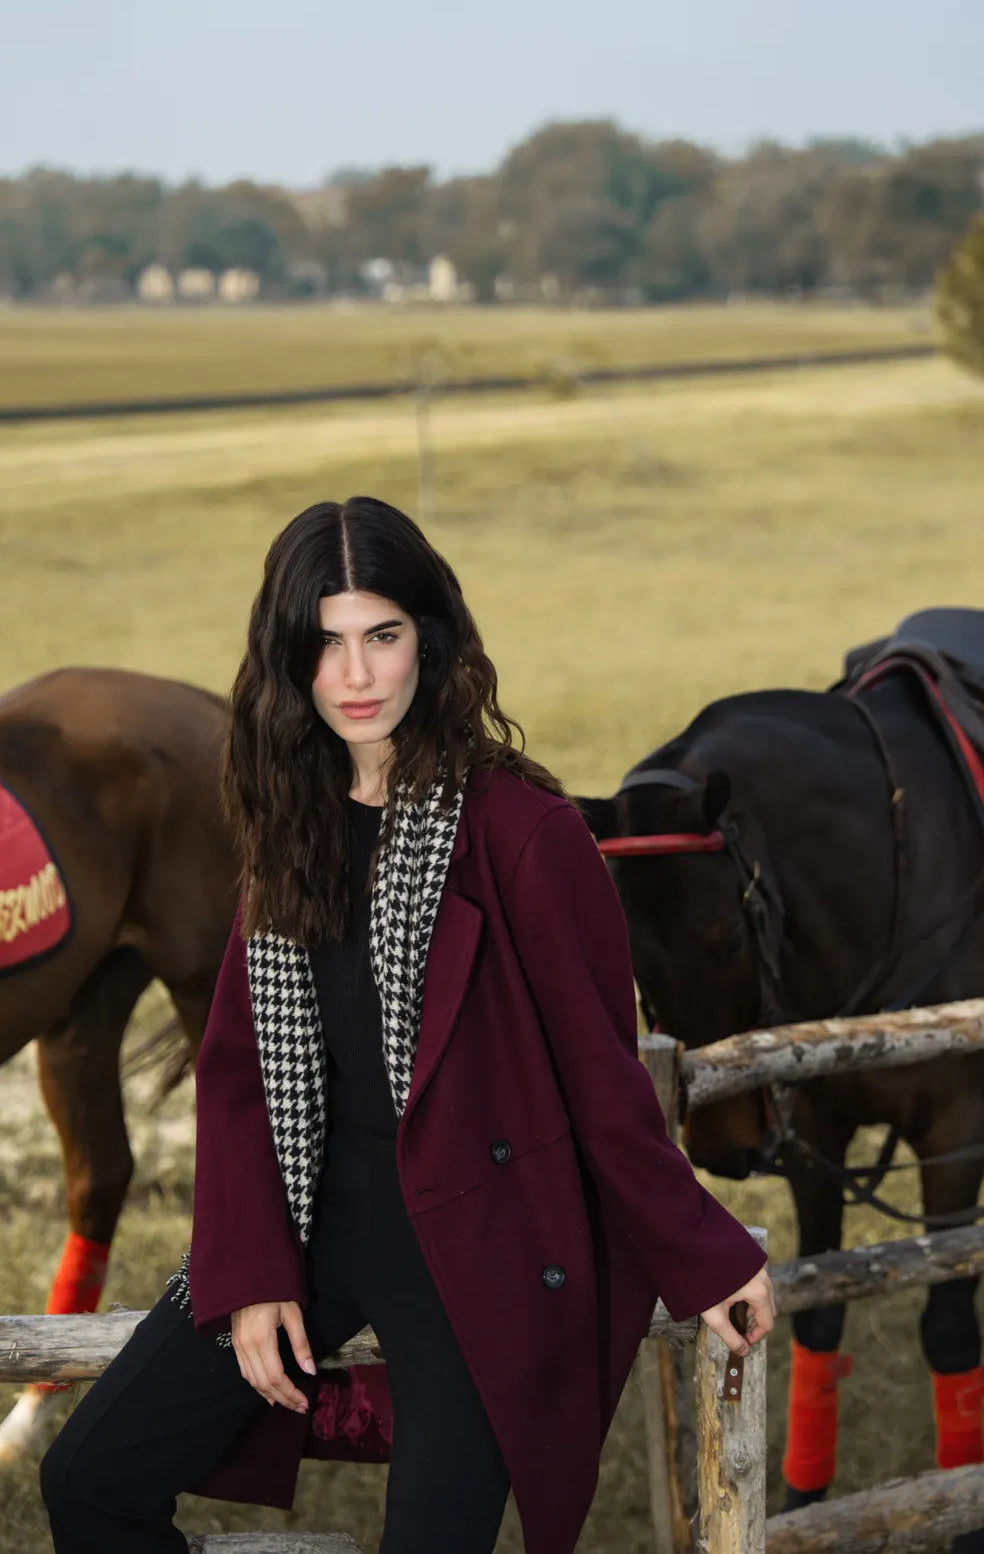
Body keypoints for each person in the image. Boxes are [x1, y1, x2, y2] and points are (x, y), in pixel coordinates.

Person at [41, 495, 774, 1554]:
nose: (356, 677)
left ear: (430, 641)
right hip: (314, 1214)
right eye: (326, 643)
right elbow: (242, 1070)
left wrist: (705, 1254)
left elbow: (603, 1081)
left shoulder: (524, 833)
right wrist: (249, 1272)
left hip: (480, 1240)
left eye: (382, 637)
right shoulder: (286, 822)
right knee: (91, 1477)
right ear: (289, 659)